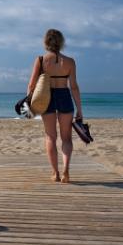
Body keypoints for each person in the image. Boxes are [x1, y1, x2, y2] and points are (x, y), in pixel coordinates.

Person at [27, 29, 83, 183]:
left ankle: (55, 173)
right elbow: (74, 87)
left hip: (47, 98)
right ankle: (66, 170)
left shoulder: (40, 60)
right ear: (62, 42)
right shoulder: (70, 61)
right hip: (65, 96)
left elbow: (31, 85)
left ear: (46, 42)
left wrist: (29, 105)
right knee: (66, 138)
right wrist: (79, 109)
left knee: (50, 136)